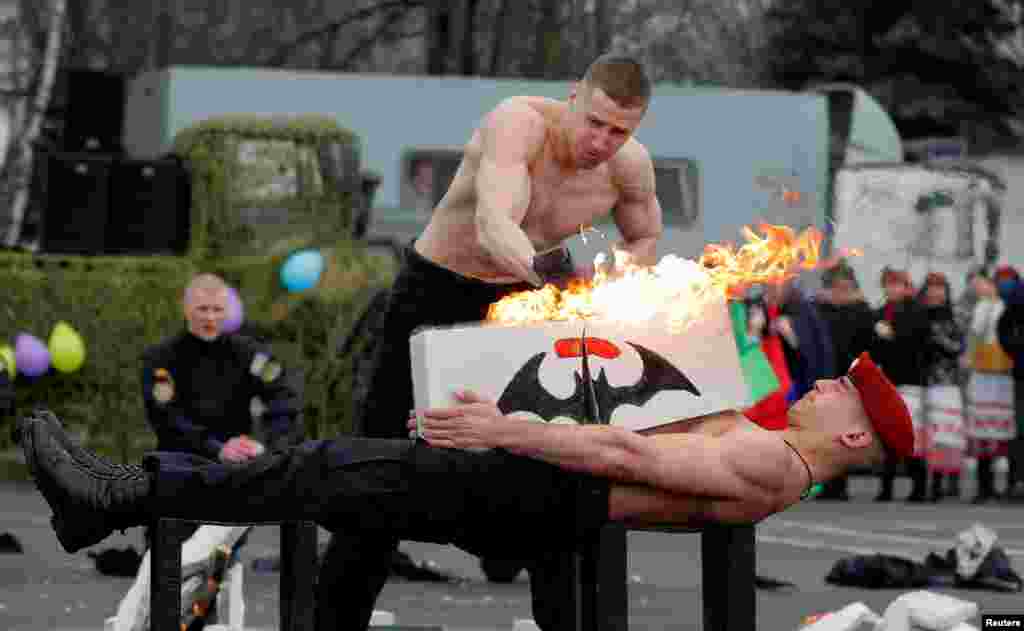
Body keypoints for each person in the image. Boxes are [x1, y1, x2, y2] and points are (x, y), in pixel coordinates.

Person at [17, 355, 912, 621]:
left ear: (852, 435)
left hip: (539, 492)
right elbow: (644, 422)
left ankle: (114, 496)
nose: (825, 382)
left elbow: (626, 456)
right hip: (543, 494)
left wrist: (500, 429)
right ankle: (111, 499)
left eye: (843, 389)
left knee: (321, 471)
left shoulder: (772, 464)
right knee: (348, 500)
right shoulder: (770, 449)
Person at [335, 52, 665, 627]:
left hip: (525, 306)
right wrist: (549, 274)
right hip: (439, 290)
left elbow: (645, 238)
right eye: (594, 122)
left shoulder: (630, 167)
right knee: (381, 466)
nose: (601, 142)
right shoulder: (519, 123)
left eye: (618, 132)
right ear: (573, 97)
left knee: (551, 468)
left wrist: (609, 279)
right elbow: (494, 226)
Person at [111, 273, 303, 631]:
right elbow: (167, 419)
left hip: (232, 478)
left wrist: (270, 447)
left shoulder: (249, 354)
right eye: (202, 309)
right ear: (187, 309)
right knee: (166, 569)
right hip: (177, 475)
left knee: (219, 567)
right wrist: (217, 448)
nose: (210, 317)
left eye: (217, 309)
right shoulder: (161, 359)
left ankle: (208, 624)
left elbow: (284, 399)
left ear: (227, 310)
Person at [814, 261, 875, 500]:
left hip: (849, 380)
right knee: (825, 433)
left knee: (845, 434)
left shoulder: (861, 311)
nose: (841, 292)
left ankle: (840, 484)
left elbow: (868, 345)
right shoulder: (820, 310)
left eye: (846, 287)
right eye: (836, 287)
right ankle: (827, 481)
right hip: (824, 379)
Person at [871, 267, 931, 502]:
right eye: (889, 284)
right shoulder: (880, 312)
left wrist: (893, 334)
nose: (892, 289)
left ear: (906, 287)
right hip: (888, 381)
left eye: (897, 284)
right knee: (888, 435)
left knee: (912, 434)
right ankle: (886, 487)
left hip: (911, 381)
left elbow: (918, 342)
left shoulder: (917, 311)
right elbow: (872, 346)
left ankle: (919, 486)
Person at [963, 271, 1016, 503]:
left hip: (1002, 374)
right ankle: (984, 486)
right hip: (984, 373)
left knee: (1001, 433)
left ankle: (1004, 485)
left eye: (981, 284)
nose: (978, 289)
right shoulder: (982, 306)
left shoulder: (1005, 306)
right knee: (982, 433)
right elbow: (974, 336)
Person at [916, 272, 966, 502]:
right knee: (924, 436)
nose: (936, 293)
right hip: (922, 381)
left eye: (940, 288)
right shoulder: (917, 314)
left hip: (946, 383)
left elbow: (958, 347)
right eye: (931, 288)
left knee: (944, 436)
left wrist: (939, 338)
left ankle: (943, 484)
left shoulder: (953, 316)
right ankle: (923, 485)